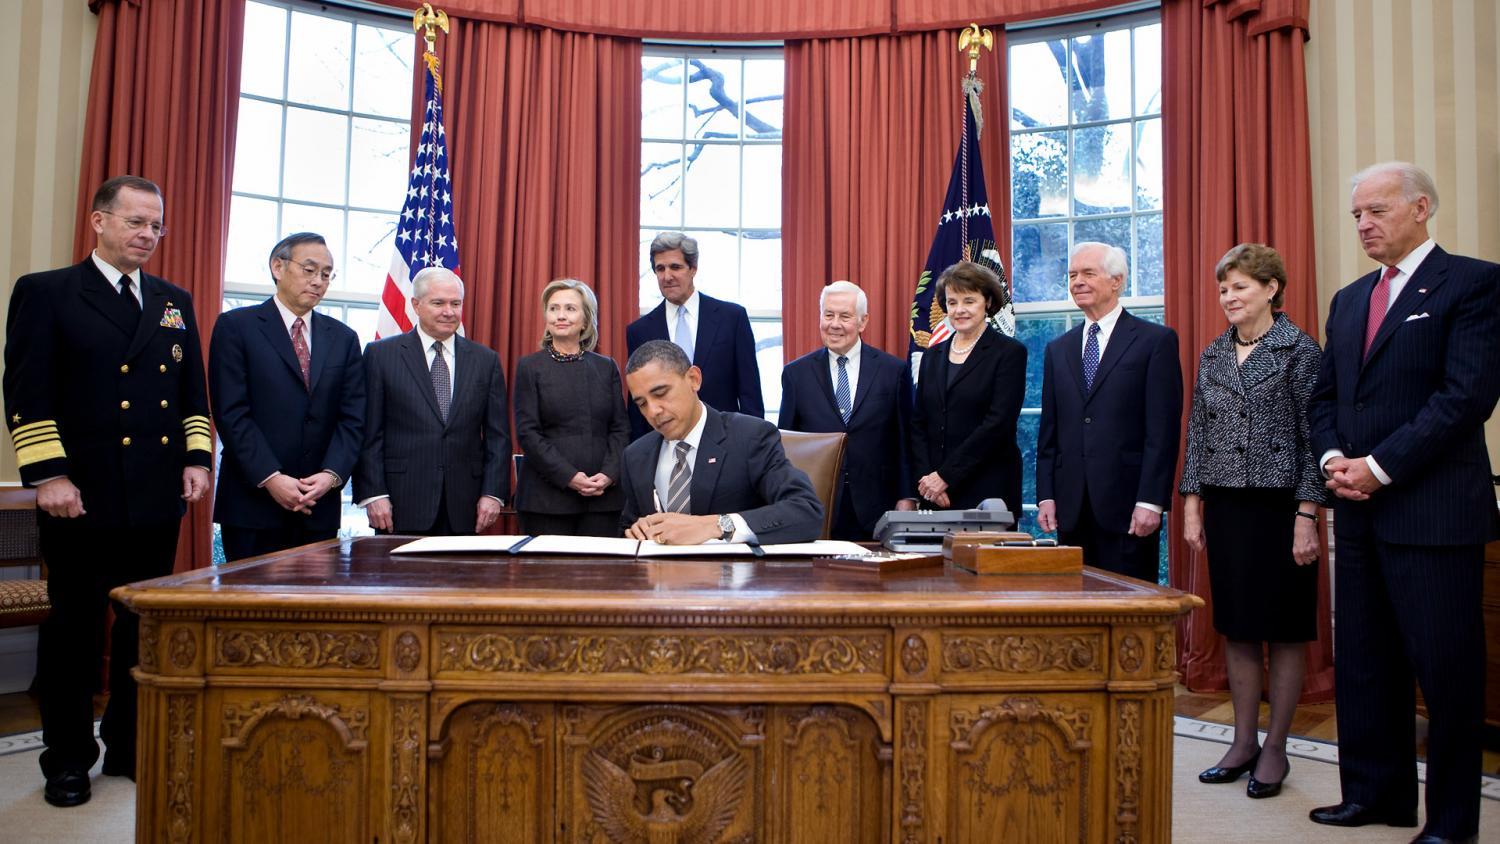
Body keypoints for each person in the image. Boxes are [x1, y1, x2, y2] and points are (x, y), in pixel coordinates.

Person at [3, 175, 212, 807]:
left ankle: (127, 745)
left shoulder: (173, 301)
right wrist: (49, 475)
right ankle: (67, 759)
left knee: (139, 631)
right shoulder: (48, 293)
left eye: (156, 225)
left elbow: (190, 394)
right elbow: (27, 391)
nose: (148, 235)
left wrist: (198, 458)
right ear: (99, 222)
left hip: (153, 497)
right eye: (135, 222)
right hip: (80, 496)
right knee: (73, 633)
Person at [1307, 162, 1500, 844]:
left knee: (1446, 677)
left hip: (1434, 512)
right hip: (1355, 510)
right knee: (1364, 662)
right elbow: (1326, 397)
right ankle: (1375, 795)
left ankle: (1452, 822)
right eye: (1357, 213)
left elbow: (1465, 398)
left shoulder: (1474, 283)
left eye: (1377, 210)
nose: (1363, 223)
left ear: (1420, 208)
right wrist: (1334, 461)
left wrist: (1379, 468)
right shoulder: (1350, 298)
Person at [1179, 243, 1327, 800]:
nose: (1228, 297)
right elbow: (1197, 430)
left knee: (1285, 632)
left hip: (1283, 508)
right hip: (1228, 509)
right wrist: (1192, 502)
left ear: (1271, 289)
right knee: (1237, 626)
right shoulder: (1214, 352)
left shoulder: (1300, 351)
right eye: (1223, 289)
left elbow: (1318, 442)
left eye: (1239, 286)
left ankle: (1276, 749)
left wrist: (1307, 514)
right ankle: (1242, 742)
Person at [209, 232, 364, 560]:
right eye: (309, 270)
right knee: (251, 609)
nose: (318, 281)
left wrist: (330, 475)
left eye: (326, 274)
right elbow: (231, 413)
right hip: (254, 503)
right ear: (278, 267)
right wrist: (271, 477)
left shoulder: (344, 338)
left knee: (314, 608)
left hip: (318, 505)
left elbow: (352, 418)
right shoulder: (236, 326)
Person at [1036, 242, 1182, 583]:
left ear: (1117, 281)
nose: (1077, 282)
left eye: (1088, 273)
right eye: (1072, 275)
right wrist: (1046, 496)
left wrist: (1151, 501)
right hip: (1070, 510)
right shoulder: (1059, 349)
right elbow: (1049, 432)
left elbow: (1162, 431)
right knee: (1077, 615)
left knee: (1128, 613)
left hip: (1129, 507)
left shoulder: (1154, 341)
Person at [353, 267, 509, 535]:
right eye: (438, 303)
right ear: (416, 305)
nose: (449, 311)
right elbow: (369, 432)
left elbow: (498, 436)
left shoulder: (486, 360)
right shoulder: (381, 355)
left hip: (466, 506)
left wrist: (493, 494)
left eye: (455, 303)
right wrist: (374, 493)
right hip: (399, 503)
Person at [619, 340, 821, 545]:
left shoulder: (750, 438)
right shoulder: (636, 456)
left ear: (693, 379)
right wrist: (636, 531)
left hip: (734, 574)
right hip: (657, 575)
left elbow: (805, 511)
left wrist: (716, 525)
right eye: (642, 404)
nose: (653, 411)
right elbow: (626, 530)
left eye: (661, 393)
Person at [778, 281, 914, 540]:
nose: (835, 324)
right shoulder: (796, 374)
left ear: (863, 322)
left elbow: (905, 440)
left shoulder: (893, 371)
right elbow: (787, 445)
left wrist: (906, 496)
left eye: (845, 316)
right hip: (816, 504)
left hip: (877, 506)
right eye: (828, 315)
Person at [511, 279, 628, 536]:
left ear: (586, 320)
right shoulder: (530, 367)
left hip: (603, 499)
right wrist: (569, 477)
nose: (560, 316)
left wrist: (609, 474)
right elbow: (528, 434)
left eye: (570, 309)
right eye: (553, 309)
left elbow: (620, 428)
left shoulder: (606, 366)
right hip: (546, 500)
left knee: (600, 576)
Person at [909, 261, 1027, 513]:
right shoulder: (932, 355)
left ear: (987, 302)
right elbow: (918, 422)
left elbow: (998, 424)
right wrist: (928, 480)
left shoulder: (1008, 353)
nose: (959, 310)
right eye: (952, 302)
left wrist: (946, 476)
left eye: (968, 301)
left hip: (988, 489)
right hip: (936, 494)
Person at [625, 232, 762, 440]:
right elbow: (637, 406)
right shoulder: (639, 331)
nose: (667, 276)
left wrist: (752, 444)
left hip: (725, 442)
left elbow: (750, 393)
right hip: (665, 444)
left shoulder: (732, 318)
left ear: (693, 269)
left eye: (675, 267)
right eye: (660, 269)